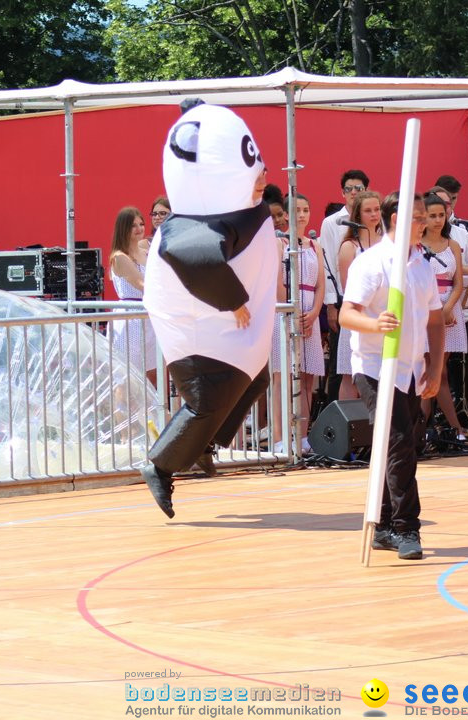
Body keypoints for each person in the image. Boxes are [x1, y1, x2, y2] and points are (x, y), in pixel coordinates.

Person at [141, 103, 278, 518]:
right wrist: (233, 300)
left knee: (255, 378)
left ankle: (203, 445)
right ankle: (160, 464)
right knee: (207, 397)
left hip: (223, 323)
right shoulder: (191, 228)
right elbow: (192, 256)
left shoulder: (237, 210)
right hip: (199, 319)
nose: (263, 182)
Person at [340, 191, 444, 560]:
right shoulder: (372, 262)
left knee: (402, 442)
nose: (428, 222)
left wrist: (435, 366)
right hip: (374, 366)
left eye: (430, 216)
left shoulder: (421, 264)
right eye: (419, 216)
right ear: (397, 218)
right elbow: (346, 314)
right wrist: (375, 323)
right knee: (399, 440)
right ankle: (406, 528)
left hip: (410, 368)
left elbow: (434, 318)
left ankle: (383, 525)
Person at [270, 193, 324, 454]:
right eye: (297, 210)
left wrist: (314, 313)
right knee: (283, 377)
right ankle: (281, 437)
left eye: (306, 209)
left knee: (306, 377)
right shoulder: (279, 243)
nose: (302, 215)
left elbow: (320, 284)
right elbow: (277, 280)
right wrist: (290, 313)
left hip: (309, 315)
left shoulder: (315, 245)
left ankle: (303, 435)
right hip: (286, 315)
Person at [420, 192, 468, 439]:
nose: (438, 220)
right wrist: (435, 311)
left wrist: (448, 308)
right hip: (424, 311)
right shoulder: (415, 246)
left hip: (449, 311)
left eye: (442, 215)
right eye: (432, 216)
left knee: (438, 371)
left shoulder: (452, 245)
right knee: (430, 371)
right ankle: (444, 427)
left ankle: (445, 427)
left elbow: (459, 282)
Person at [318, 169, 371, 402]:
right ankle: (336, 421)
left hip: (371, 303)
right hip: (342, 299)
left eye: (358, 188)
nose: (353, 193)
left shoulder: (372, 223)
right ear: (342, 192)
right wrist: (331, 304)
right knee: (341, 365)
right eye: (349, 189)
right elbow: (328, 263)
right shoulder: (332, 223)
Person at [335, 190, 383, 400]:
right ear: (357, 215)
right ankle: (349, 430)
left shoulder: (387, 245)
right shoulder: (349, 247)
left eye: (377, 209)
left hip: (382, 316)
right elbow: (348, 289)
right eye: (368, 211)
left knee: (380, 375)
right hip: (357, 316)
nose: (374, 214)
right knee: (350, 375)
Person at [109, 206, 158, 385]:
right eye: (133, 225)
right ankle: (122, 413)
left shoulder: (147, 253)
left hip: (149, 316)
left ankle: (152, 412)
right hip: (130, 318)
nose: (139, 228)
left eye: (141, 224)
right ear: (124, 228)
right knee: (127, 375)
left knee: (153, 372)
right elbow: (142, 284)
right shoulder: (120, 257)